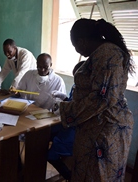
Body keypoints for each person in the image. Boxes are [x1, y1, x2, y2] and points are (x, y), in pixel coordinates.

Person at [52, 18, 135, 181]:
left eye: (75, 46)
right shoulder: (101, 53)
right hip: (95, 126)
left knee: (99, 175)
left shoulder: (107, 53)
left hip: (105, 128)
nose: (77, 50)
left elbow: (102, 98)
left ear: (81, 41)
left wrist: (66, 109)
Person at [47, 61, 85, 181]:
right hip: (66, 123)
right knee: (45, 133)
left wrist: (64, 107)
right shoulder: (76, 87)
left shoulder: (88, 93)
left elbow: (77, 111)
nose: (76, 81)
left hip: (75, 128)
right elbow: (70, 101)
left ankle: (70, 177)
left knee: (51, 156)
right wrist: (63, 98)